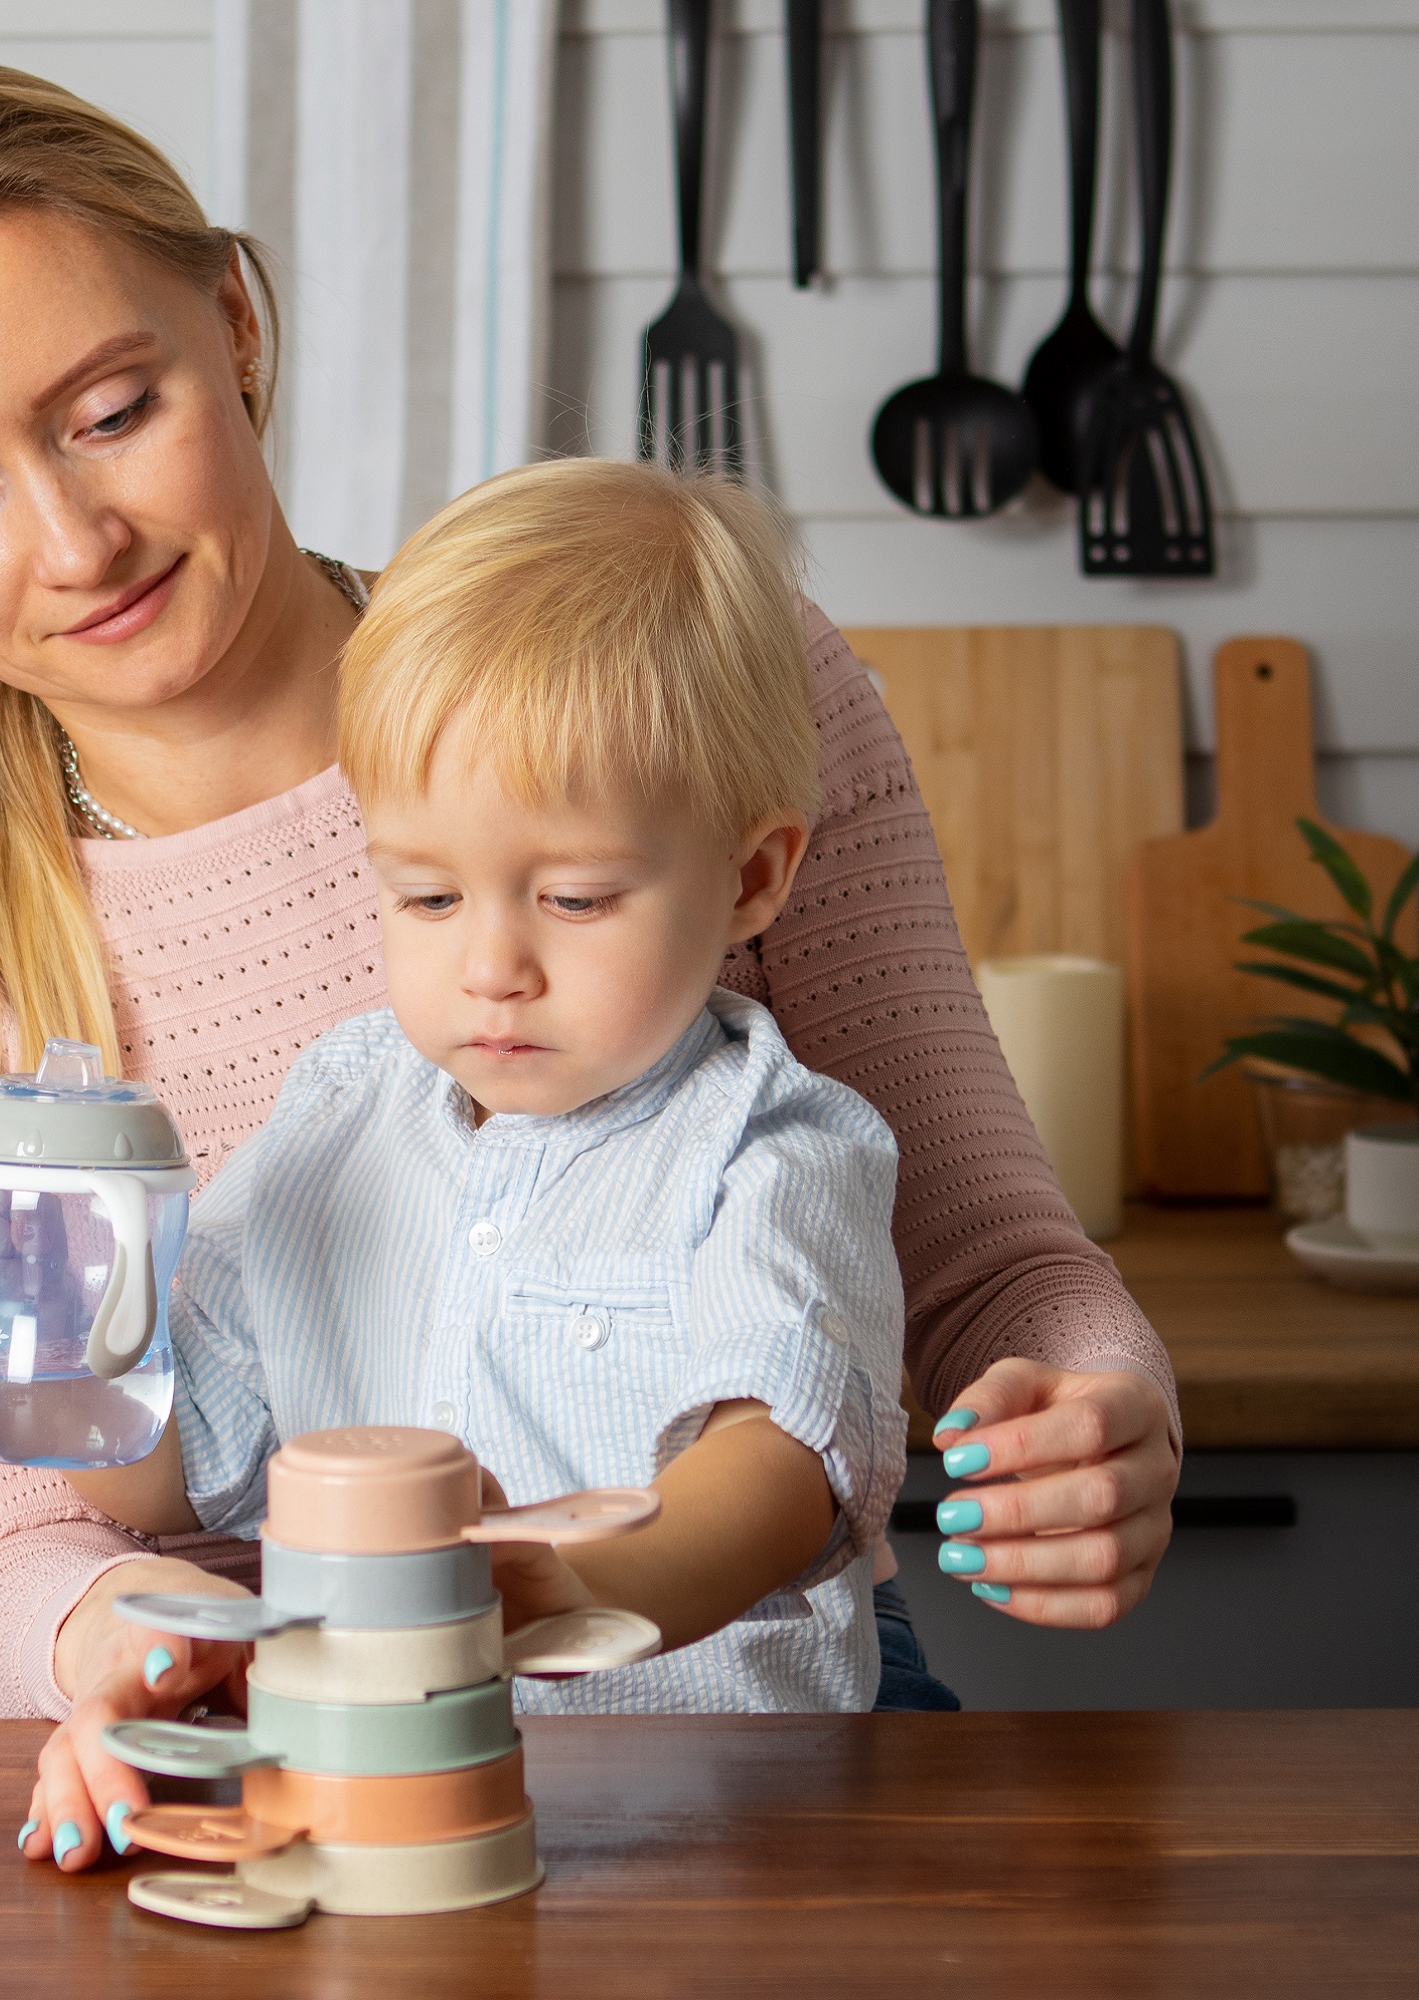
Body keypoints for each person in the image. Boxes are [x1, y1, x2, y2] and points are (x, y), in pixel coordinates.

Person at [0, 61, 1180, 1878]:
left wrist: (1092, 1408)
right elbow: (32, 1538)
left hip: (748, 1729)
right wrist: (158, 1653)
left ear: (233, 319)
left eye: (113, 408)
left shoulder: (663, 677)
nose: (80, 547)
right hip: (273, 1755)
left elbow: (978, 1261)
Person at [59, 458, 909, 1734]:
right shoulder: (339, 1117)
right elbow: (175, 1480)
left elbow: (778, 1466)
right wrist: (69, 1317)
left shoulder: (770, 1145)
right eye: (427, 896)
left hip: (722, 1826)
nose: (492, 967)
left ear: (747, 878)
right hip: (395, 1793)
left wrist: (568, 1586)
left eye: (572, 898)